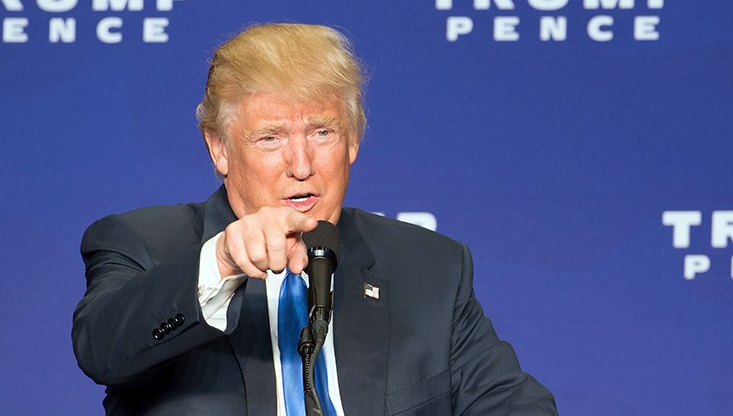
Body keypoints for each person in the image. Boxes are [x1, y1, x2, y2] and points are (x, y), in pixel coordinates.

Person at [72, 23, 557, 415]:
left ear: (353, 142)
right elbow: (102, 349)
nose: (301, 165)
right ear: (219, 148)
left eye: (322, 132)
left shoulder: (429, 267)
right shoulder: (146, 243)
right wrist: (219, 262)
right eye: (270, 138)